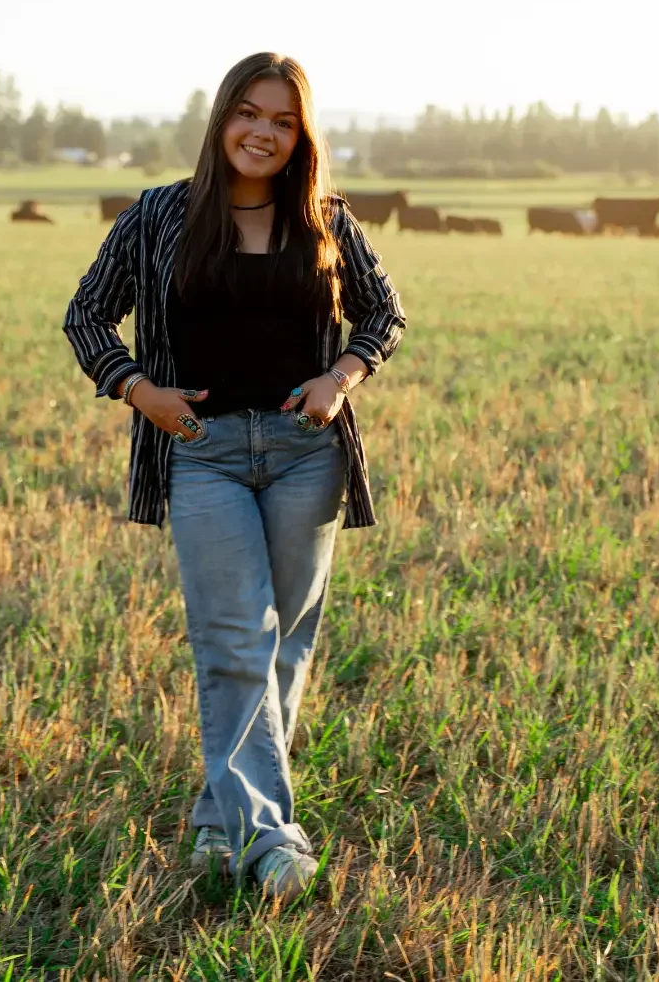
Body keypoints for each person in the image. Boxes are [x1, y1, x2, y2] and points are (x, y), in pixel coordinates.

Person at [63, 51, 406, 903]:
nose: (264, 132)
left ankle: (221, 821)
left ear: (301, 135)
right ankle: (274, 840)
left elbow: (385, 314)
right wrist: (139, 390)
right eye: (250, 113)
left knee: (284, 646)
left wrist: (339, 378)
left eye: (283, 120)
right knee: (235, 642)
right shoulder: (159, 215)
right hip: (203, 453)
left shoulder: (325, 218)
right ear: (223, 118)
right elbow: (87, 316)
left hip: (305, 454)